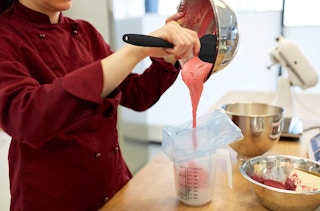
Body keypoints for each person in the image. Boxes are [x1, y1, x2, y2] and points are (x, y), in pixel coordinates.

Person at [0, 0, 200, 210]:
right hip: (54, 199)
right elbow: (26, 115)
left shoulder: (85, 32)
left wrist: (169, 54)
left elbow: (136, 94)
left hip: (114, 189)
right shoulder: (6, 37)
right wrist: (135, 51)